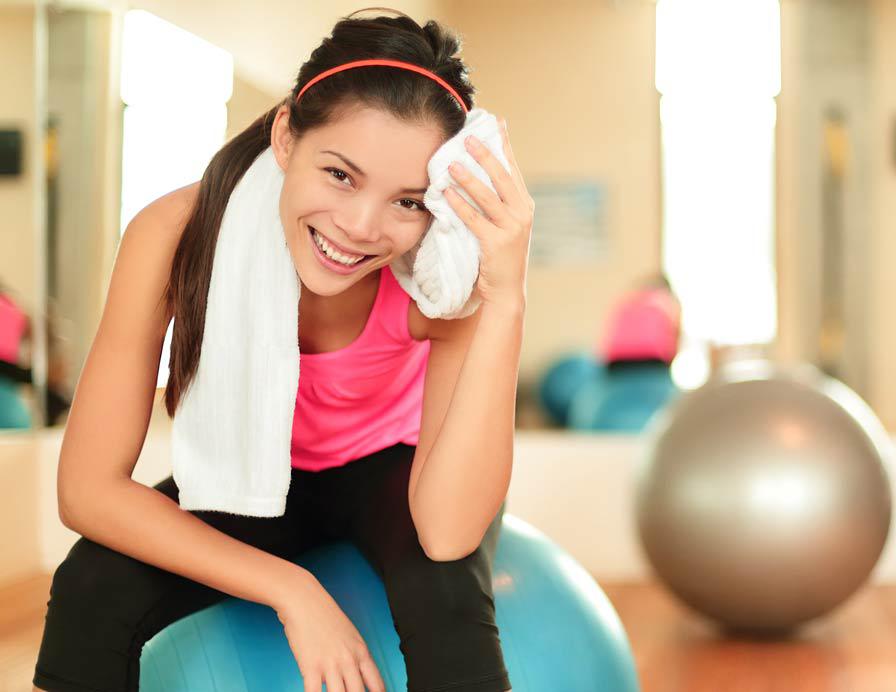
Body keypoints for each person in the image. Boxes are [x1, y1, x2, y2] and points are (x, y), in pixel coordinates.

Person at [33, 10, 532, 692]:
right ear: (286, 137)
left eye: (408, 202)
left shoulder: (441, 280)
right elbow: (87, 491)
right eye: (342, 175)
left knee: (443, 590)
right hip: (253, 469)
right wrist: (292, 591)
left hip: (399, 470)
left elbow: (445, 534)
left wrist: (504, 298)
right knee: (92, 583)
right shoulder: (175, 234)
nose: (360, 228)